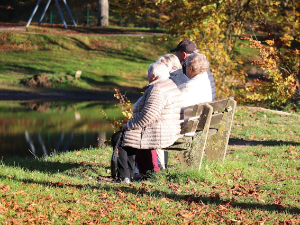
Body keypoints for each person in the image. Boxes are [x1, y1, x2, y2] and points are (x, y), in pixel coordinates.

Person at [115, 62, 184, 183]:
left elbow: (148, 115)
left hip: (162, 129)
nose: (147, 76)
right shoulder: (168, 84)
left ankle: (130, 176)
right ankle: (145, 173)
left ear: (153, 76)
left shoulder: (157, 89)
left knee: (124, 137)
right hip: (167, 126)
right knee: (131, 135)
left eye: (148, 74)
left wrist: (129, 124)